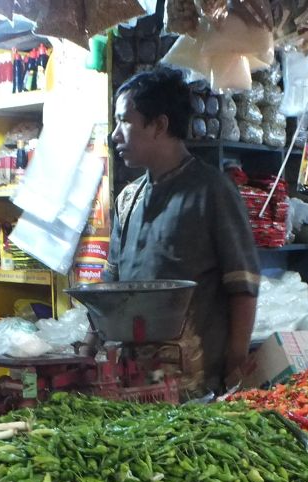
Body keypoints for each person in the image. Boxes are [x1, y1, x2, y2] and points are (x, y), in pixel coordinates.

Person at [105, 67, 260, 394]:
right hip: (134, 383)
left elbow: (243, 287)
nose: (115, 135)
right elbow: (111, 283)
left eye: (124, 121)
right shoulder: (127, 200)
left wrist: (235, 362)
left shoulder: (213, 191)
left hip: (194, 384)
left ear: (159, 125)